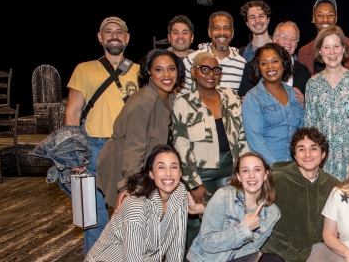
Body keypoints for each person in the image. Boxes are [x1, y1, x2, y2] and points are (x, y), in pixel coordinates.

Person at [63, 16, 139, 257]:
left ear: (127, 38)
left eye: (119, 32)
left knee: (131, 210)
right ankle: (98, 257)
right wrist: (73, 151)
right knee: (92, 214)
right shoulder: (84, 69)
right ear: (100, 37)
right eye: (109, 31)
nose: (114, 35)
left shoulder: (140, 71)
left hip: (129, 148)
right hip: (94, 147)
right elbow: (73, 111)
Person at [173, 52, 250, 248]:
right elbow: (181, 145)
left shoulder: (230, 96)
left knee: (228, 218)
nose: (211, 74)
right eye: (204, 69)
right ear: (193, 71)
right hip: (201, 174)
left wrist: (243, 169)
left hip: (230, 168)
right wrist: (193, 183)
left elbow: (240, 135)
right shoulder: (183, 103)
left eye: (216, 70)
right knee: (198, 224)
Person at [97, 49, 185, 210]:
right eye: (159, 69)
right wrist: (129, 187)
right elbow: (134, 148)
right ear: (149, 73)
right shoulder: (143, 103)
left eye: (171, 69)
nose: (166, 74)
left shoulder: (171, 98)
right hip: (128, 169)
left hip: (152, 170)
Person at [86, 145, 202, 261]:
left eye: (174, 167)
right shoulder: (136, 206)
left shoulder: (180, 192)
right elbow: (134, 259)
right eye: (161, 167)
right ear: (151, 173)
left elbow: (177, 246)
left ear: (180, 173)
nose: (168, 173)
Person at [261, 127, 341, 261]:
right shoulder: (276, 179)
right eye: (301, 149)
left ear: (323, 154)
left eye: (313, 148)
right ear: (295, 155)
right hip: (278, 253)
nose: (307, 154)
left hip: (313, 250)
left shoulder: (332, 184)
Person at [304, 26, 349, 181]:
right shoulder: (313, 84)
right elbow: (310, 126)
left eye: (336, 46)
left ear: (343, 49)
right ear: (320, 52)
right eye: (326, 47)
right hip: (324, 160)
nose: (332, 52)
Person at [186, 152, 282, 262]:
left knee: (275, 260)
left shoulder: (272, 212)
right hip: (206, 259)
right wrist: (244, 229)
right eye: (245, 170)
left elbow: (249, 249)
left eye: (257, 170)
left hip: (234, 259)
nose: (251, 175)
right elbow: (207, 243)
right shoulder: (224, 196)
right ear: (238, 176)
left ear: (265, 175)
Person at [242, 43, 305, 165]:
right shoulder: (253, 97)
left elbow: (303, 130)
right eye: (264, 63)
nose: (270, 67)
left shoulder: (294, 94)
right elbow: (255, 141)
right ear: (258, 67)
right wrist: (275, 169)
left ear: (283, 63)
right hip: (270, 169)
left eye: (275, 61)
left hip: (296, 167)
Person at [297, 0, 349, 79]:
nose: (325, 19)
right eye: (320, 15)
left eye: (330, 15)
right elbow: (302, 86)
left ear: (336, 18)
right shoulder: (303, 53)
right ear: (313, 18)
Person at [178, 11, 246, 95]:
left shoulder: (242, 64)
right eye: (216, 28)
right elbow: (181, 96)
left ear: (232, 33)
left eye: (226, 28)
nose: (222, 32)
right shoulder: (191, 60)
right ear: (209, 32)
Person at [238, 21, 311, 99]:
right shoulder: (252, 67)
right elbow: (243, 100)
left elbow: (309, 104)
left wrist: (304, 103)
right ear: (274, 39)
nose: (288, 42)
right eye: (284, 37)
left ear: (296, 44)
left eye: (293, 39)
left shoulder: (303, 71)